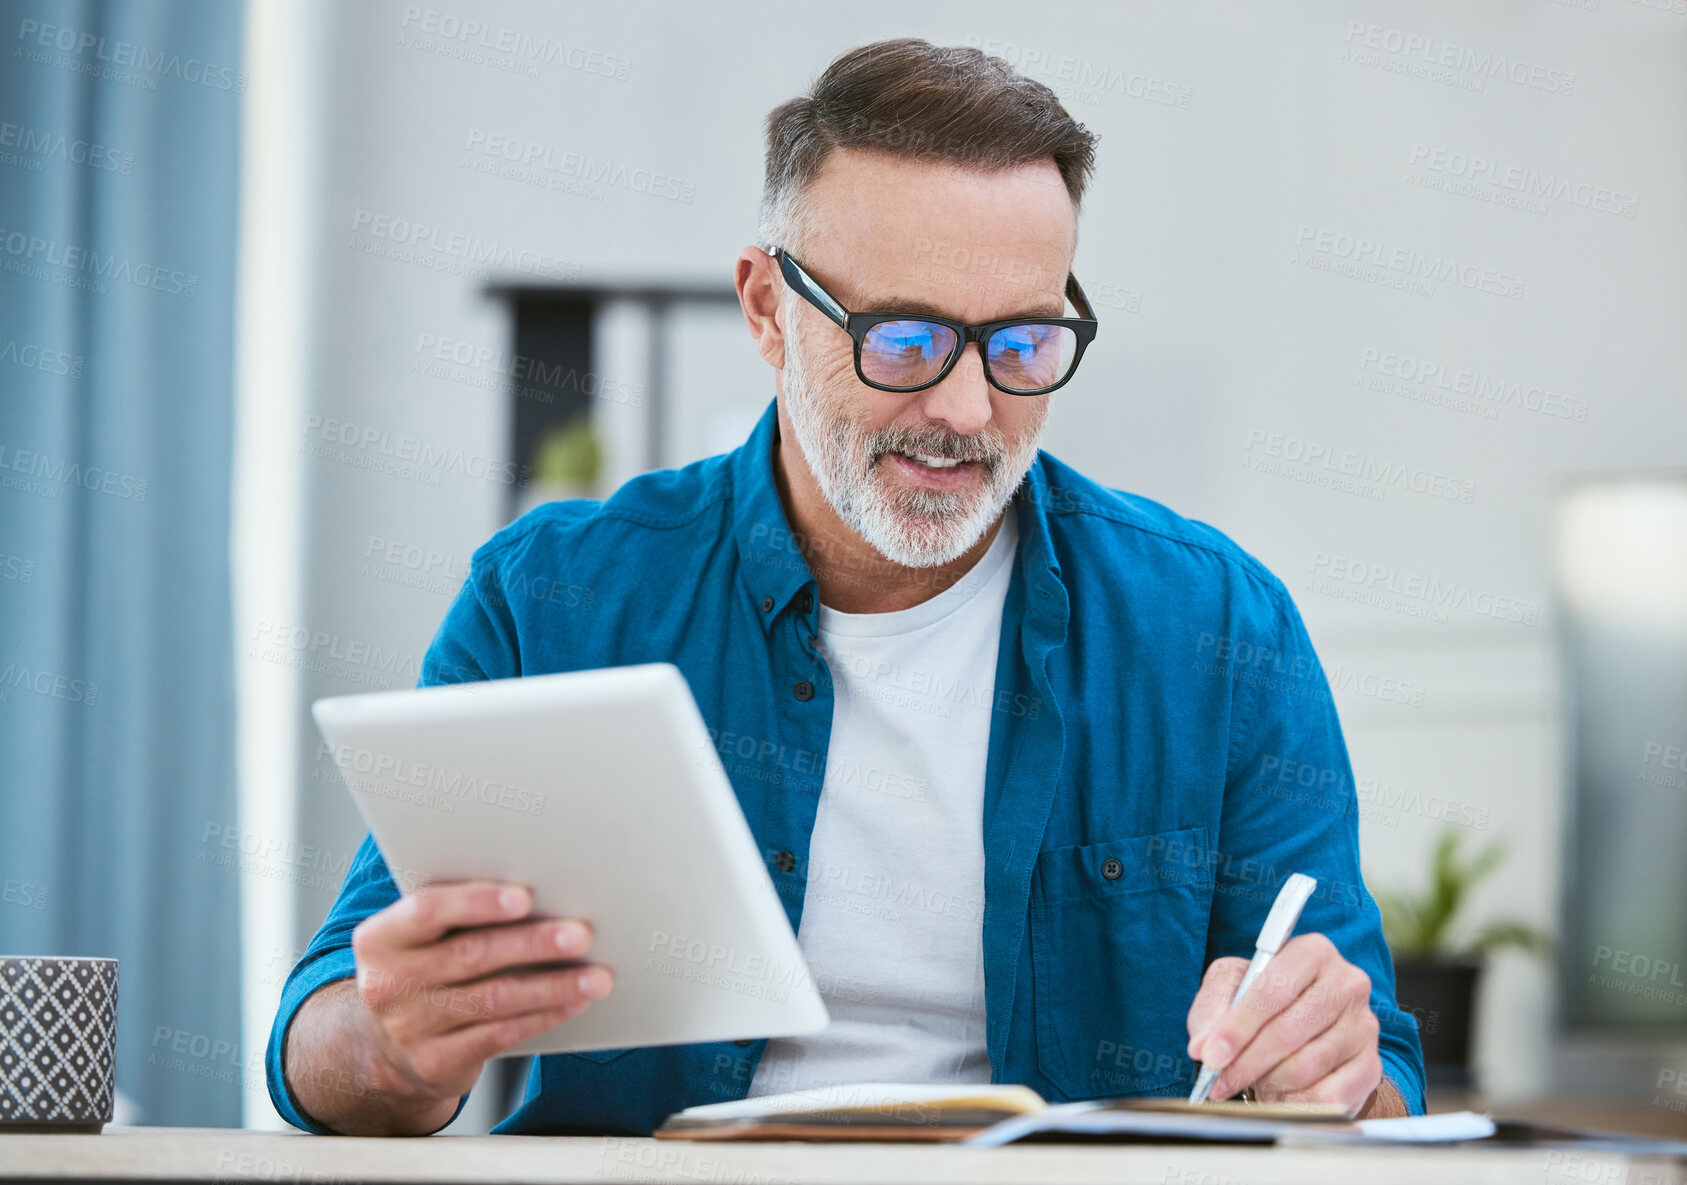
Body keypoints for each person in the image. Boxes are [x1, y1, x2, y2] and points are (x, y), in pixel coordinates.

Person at [266, 37, 1424, 1137]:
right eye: (905, 339)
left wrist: (1331, 1067)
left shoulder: (1215, 628)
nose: (966, 413)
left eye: (1022, 343)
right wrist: (396, 1042)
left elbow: (1377, 1085)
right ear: (767, 307)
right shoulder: (556, 599)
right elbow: (325, 1048)